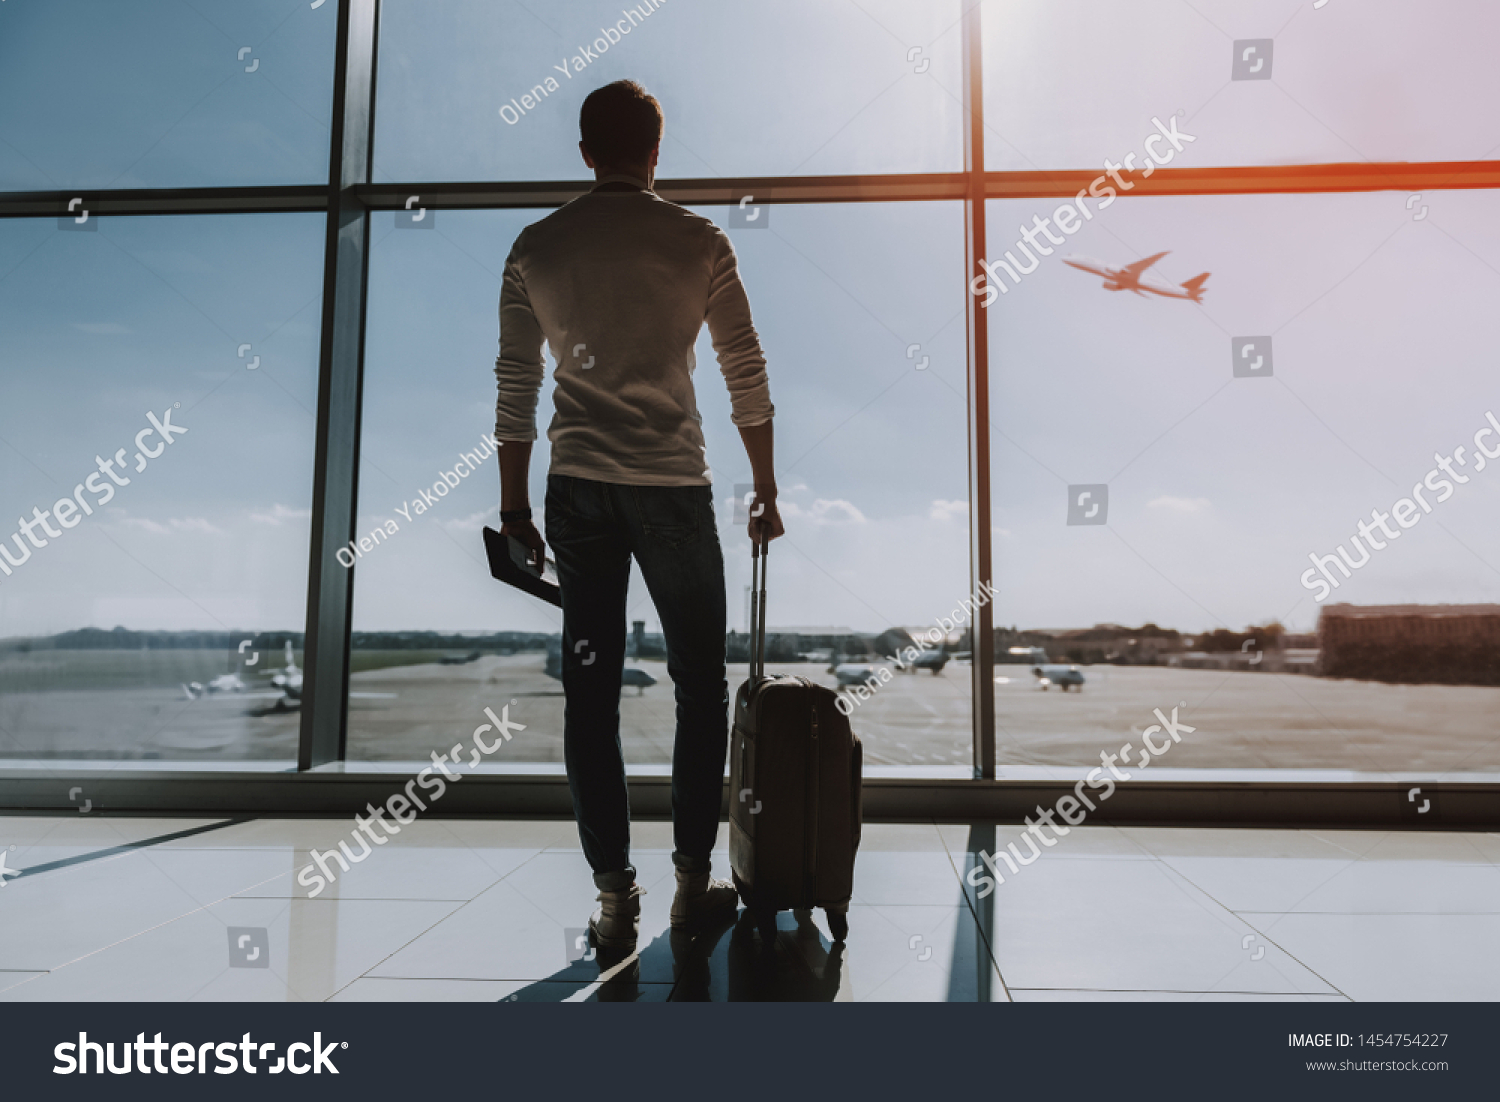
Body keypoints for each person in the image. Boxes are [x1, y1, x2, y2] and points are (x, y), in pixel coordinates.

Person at [492, 79, 784, 950]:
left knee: (591, 695)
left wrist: (514, 506)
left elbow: (516, 385)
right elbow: (744, 366)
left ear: (584, 151)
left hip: (577, 492)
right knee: (701, 687)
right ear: (658, 151)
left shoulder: (536, 247)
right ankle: (693, 885)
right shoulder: (699, 240)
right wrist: (765, 485)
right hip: (672, 489)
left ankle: (615, 897)